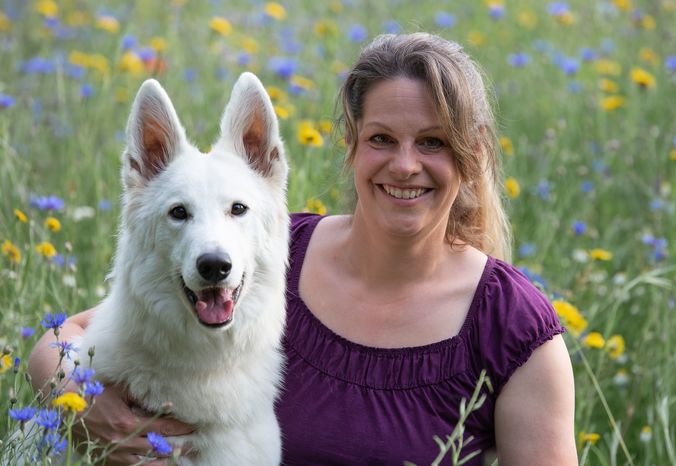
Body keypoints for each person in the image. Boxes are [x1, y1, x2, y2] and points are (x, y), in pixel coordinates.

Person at [29, 32, 577, 465]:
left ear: (471, 154)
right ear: (352, 147)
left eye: (432, 142)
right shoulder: (268, 252)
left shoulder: (510, 324)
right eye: (382, 139)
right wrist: (81, 401)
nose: (405, 165)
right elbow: (65, 338)